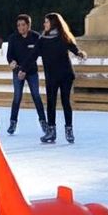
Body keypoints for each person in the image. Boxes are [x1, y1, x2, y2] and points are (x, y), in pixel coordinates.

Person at [36, 13, 87, 144]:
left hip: (65, 75)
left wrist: (80, 53)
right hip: (51, 76)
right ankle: (51, 132)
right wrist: (22, 69)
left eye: (46, 22)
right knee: (51, 103)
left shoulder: (63, 37)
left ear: (52, 23)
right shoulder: (43, 39)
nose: (44, 24)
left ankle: (69, 129)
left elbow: (74, 48)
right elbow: (33, 55)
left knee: (65, 102)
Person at [5, 14, 46, 136]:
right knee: (17, 96)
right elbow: (9, 56)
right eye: (18, 25)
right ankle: (13, 122)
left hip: (31, 71)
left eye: (23, 25)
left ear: (28, 25)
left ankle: (43, 122)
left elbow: (35, 56)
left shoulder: (36, 37)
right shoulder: (13, 38)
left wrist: (25, 71)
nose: (20, 27)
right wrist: (13, 65)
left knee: (36, 96)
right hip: (18, 72)